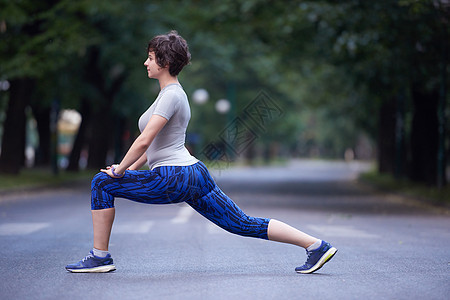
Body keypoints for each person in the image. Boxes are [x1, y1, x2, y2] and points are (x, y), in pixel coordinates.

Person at [65, 30, 337, 274]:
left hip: (173, 177)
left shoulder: (171, 95)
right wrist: (131, 170)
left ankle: (100, 257)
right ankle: (315, 245)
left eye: (150, 58)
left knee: (101, 183)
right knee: (241, 223)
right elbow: (157, 146)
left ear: (165, 63)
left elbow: (144, 141)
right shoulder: (170, 95)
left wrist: (119, 170)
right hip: (194, 173)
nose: (145, 63)